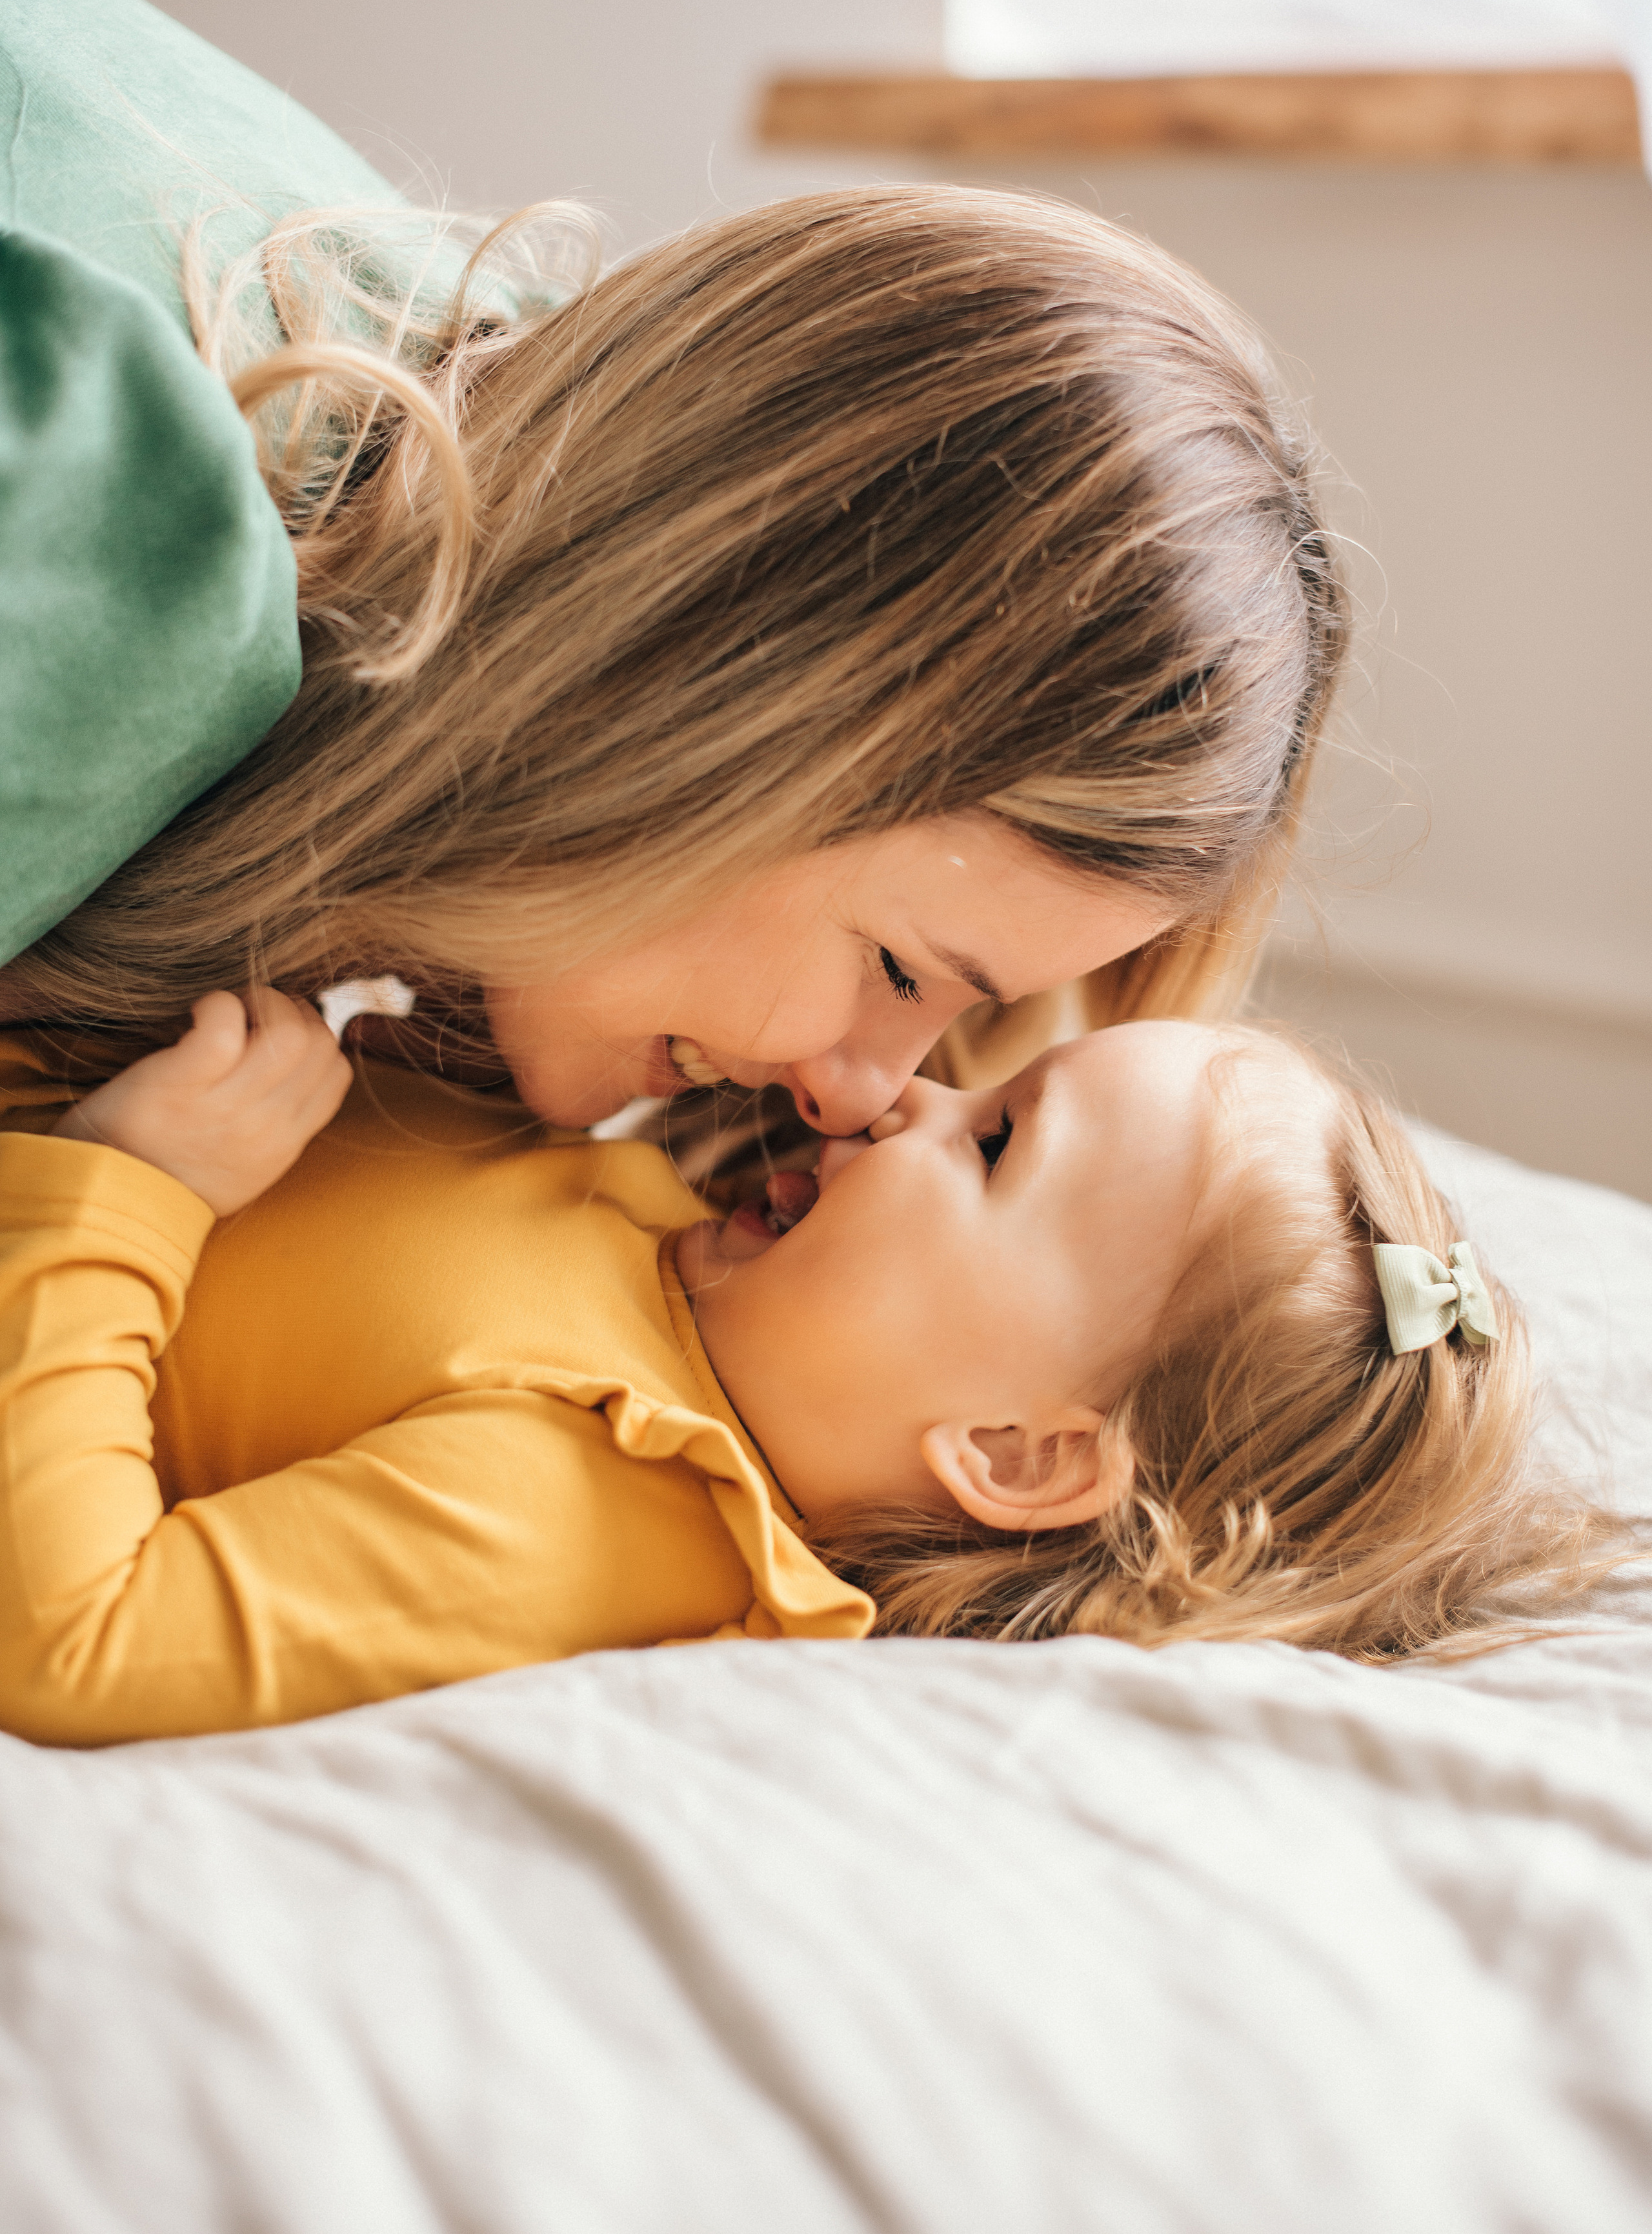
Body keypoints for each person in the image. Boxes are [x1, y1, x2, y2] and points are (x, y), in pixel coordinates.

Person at [1, 182, 1346, 1137]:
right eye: (894, 971)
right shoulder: (111, 562)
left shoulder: (451, 371)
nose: (864, 1096)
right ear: (713, 691)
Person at [0, 988, 1599, 1748]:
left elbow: (78, 1638)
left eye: (989, 1141)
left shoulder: (594, 1499)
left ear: (1016, 1452)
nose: (895, 1100)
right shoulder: (671, 1266)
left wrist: (124, 1195)